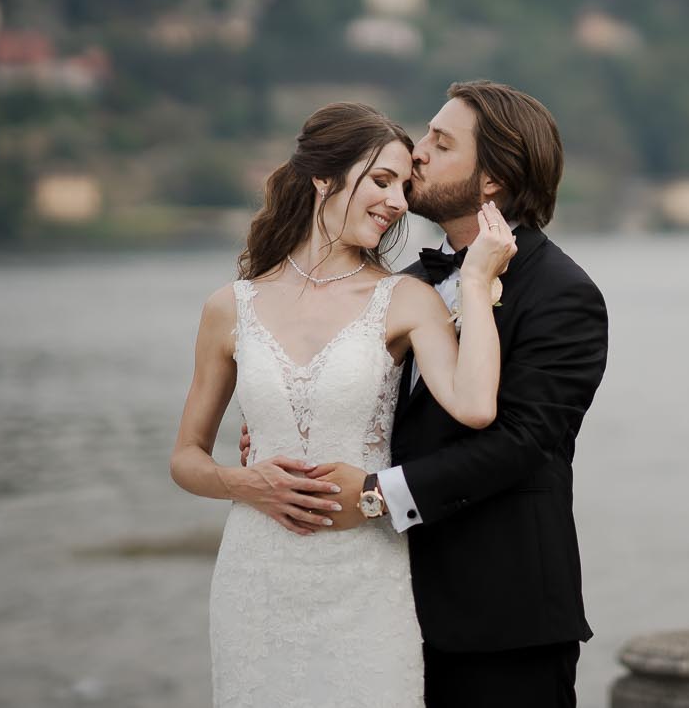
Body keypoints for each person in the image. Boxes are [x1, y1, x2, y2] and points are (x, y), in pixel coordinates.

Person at [239, 80, 610, 708]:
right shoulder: (399, 288)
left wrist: (376, 495)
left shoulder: (562, 293)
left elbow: (519, 443)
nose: (417, 156)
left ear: (490, 179)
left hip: (500, 623)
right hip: (379, 609)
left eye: (440, 144)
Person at [169, 101, 517, 707]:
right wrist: (245, 483)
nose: (399, 202)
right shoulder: (230, 306)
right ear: (323, 178)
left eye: (404, 187)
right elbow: (186, 458)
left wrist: (476, 284)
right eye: (381, 181)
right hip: (256, 580)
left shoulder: (405, 299)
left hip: (365, 578)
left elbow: (475, 406)